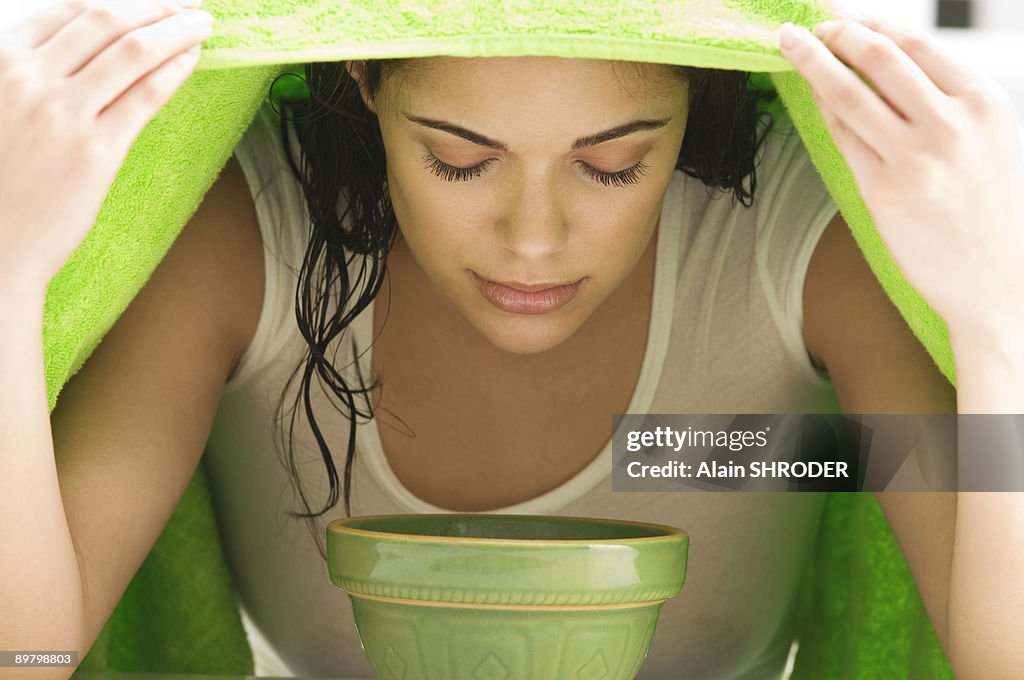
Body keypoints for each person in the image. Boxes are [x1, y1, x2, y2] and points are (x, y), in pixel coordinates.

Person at [1, 1, 1022, 679]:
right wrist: (5, 282)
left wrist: (992, 318)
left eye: (613, 164)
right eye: (458, 158)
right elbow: (30, 655)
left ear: (694, 97)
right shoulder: (242, 236)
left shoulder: (797, 251)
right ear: (363, 76)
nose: (533, 241)